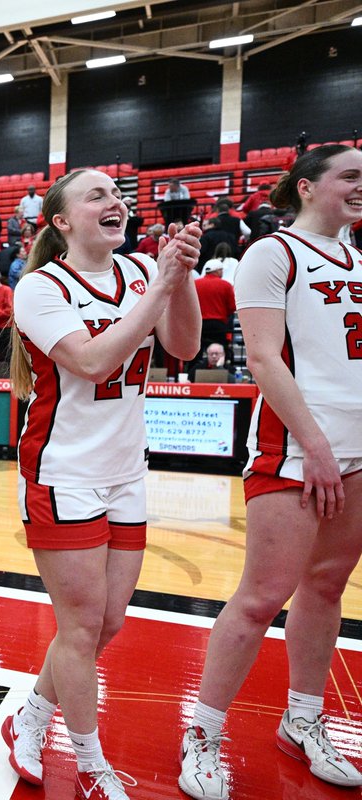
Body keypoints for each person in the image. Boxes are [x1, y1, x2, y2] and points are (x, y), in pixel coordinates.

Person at [5, 169, 201, 800]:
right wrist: (161, 285)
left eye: (117, 195)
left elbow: (184, 344)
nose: (115, 202)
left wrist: (182, 276)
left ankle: (30, 717)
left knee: (106, 623)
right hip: (62, 472)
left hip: (125, 471)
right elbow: (92, 361)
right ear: (61, 221)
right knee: (82, 624)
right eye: (97, 196)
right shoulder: (39, 287)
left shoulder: (143, 271)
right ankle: (89, 762)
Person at [178, 144, 362, 800]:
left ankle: (303, 721)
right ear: (308, 187)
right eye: (350, 177)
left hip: (358, 450)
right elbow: (261, 358)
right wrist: (314, 443)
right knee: (260, 598)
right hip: (294, 448)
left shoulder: (360, 259)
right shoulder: (272, 253)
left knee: (327, 587)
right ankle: (200, 735)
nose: (361, 187)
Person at [194, 259, 236, 362]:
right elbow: (232, 307)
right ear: (217, 271)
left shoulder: (195, 284)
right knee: (220, 351)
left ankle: (193, 371)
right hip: (219, 324)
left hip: (200, 324)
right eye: (221, 270)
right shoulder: (225, 285)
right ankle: (221, 370)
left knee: (197, 352)